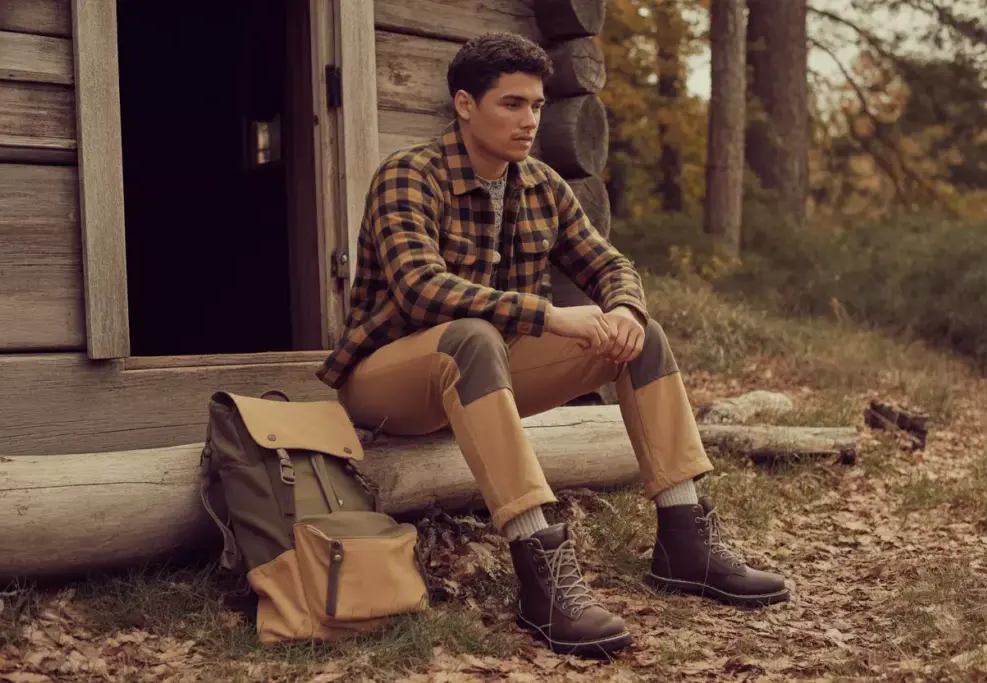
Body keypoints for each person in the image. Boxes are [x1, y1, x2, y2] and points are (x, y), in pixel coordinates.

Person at [316, 32, 788, 657]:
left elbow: (611, 264)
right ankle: (541, 570)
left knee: (638, 335)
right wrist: (548, 315)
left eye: (537, 106)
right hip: (388, 381)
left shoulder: (540, 184)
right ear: (464, 104)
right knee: (474, 335)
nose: (530, 120)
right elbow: (420, 290)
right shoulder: (409, 174)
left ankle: (685, 540)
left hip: (485, 372)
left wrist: (621, 307)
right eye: (512, 104)